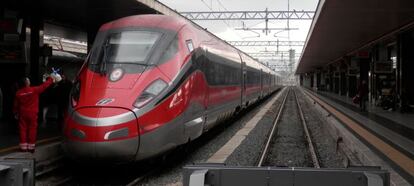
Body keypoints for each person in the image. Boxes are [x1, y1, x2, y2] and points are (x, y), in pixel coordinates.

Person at [13, 75, 60, 153]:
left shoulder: (18, 93)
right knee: (32, 129)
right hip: (32, 113)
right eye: (28, 80)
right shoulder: (34, 90)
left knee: (22, 129)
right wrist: (51, 79)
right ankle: (31, 147)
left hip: (22, 113)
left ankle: (23, 147)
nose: (29, 81)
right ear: (27, 83)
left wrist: (15, 113)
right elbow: (44, 86)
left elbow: (15, 105)